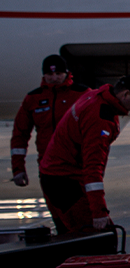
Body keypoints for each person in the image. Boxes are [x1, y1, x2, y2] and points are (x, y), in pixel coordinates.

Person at [36, 75, 130, 234]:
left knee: (70, 238)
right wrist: (98, 212)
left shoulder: (93, 96)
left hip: (53, 177)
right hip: (65, 183)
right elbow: (93, 169)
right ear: (125, 94)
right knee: (100, 239)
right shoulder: (101, 119)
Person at [9, 56, 88, 224]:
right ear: (43, 75)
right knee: (59, 214)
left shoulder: (82, 94)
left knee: (82, 215)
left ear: (67, 73)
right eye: (49, 74)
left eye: (59, 73)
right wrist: (18, 168)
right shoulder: (33, 99)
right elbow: (19, 135)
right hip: (47, 167)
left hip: (77, 167)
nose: (54, 78)